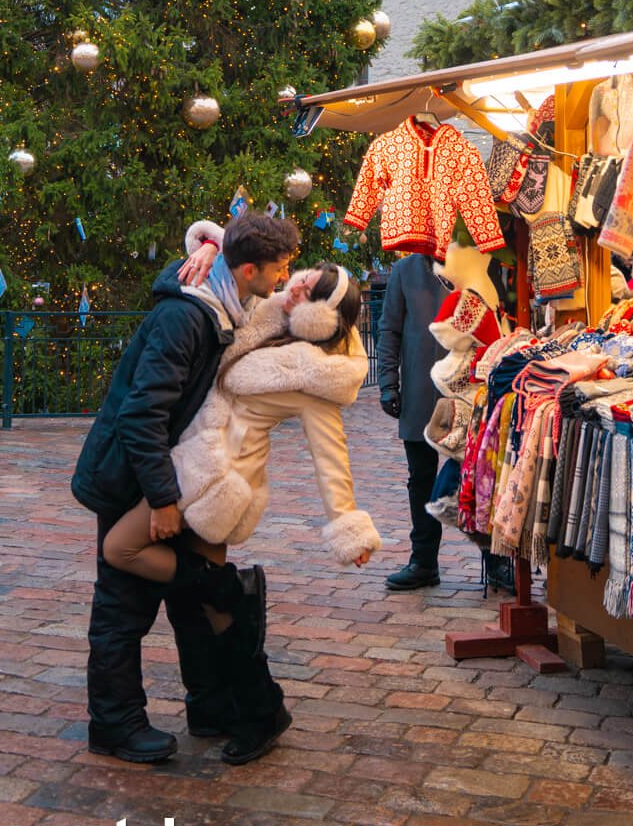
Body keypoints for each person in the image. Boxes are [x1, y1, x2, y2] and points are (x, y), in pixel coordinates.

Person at [71, 210, 298, 767]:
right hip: (135, 478)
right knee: (123, 611)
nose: (283, 280)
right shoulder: (187, 316)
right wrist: (165, 499)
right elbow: (142, 415)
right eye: (278, 270)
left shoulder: (222, 297)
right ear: (246, 270)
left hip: (175, 475)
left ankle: (213, 707)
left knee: (194, 605)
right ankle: (116, 724)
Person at [104, 264, 380, 579]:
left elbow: (331, 457)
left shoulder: (318, 376)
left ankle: (230, 589)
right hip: (196, 453)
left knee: (119, 548)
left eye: (308, 294)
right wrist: (210, 246)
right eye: (303, 279)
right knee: (206, 605)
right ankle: (230, 593)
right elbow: (245, 264)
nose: (295, 289)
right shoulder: (269, 314)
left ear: (321, 316)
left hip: (218, 474)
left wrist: (349, 527)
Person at [377, 252, 449, 590]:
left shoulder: (476, 263)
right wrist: (388, 382)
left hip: (468, 387)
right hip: (421, 388)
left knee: (481, 476)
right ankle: (423, 560)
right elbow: (389, 328)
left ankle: (496, 562)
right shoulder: (406, 270)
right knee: (421, 478)